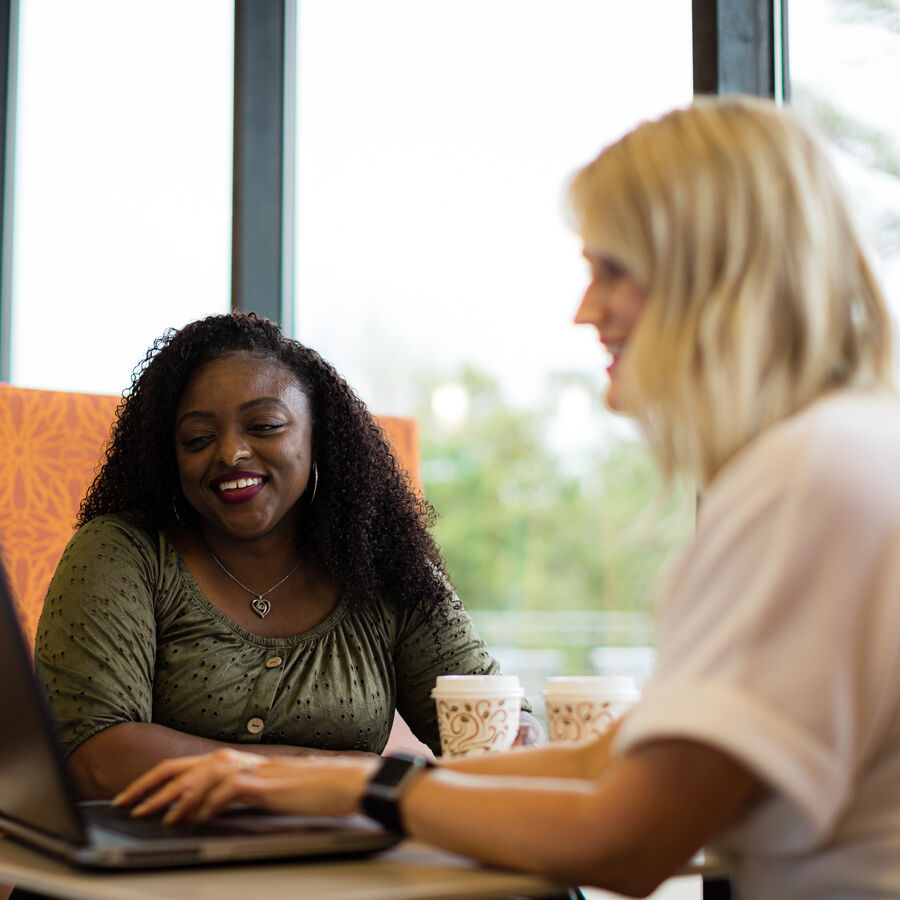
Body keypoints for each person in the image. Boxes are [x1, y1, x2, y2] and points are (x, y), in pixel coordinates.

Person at [115, 96, 900, 899]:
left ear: (721, 273)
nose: (584, 309)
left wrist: (367, 791)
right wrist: (324, 783)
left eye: (615, 271)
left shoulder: (808, 484)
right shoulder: (849, 452)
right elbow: (608, 759)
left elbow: (629, 840)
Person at [34, 312, 540, 800]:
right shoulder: (125, 553)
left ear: (319, 439)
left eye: (265, 426)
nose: (230, 452)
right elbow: (92, 757)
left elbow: (485, 716)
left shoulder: (386, 564)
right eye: (198, 438)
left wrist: (522, 737)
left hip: (342, 874)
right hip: (153, 876)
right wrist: (324, 773)